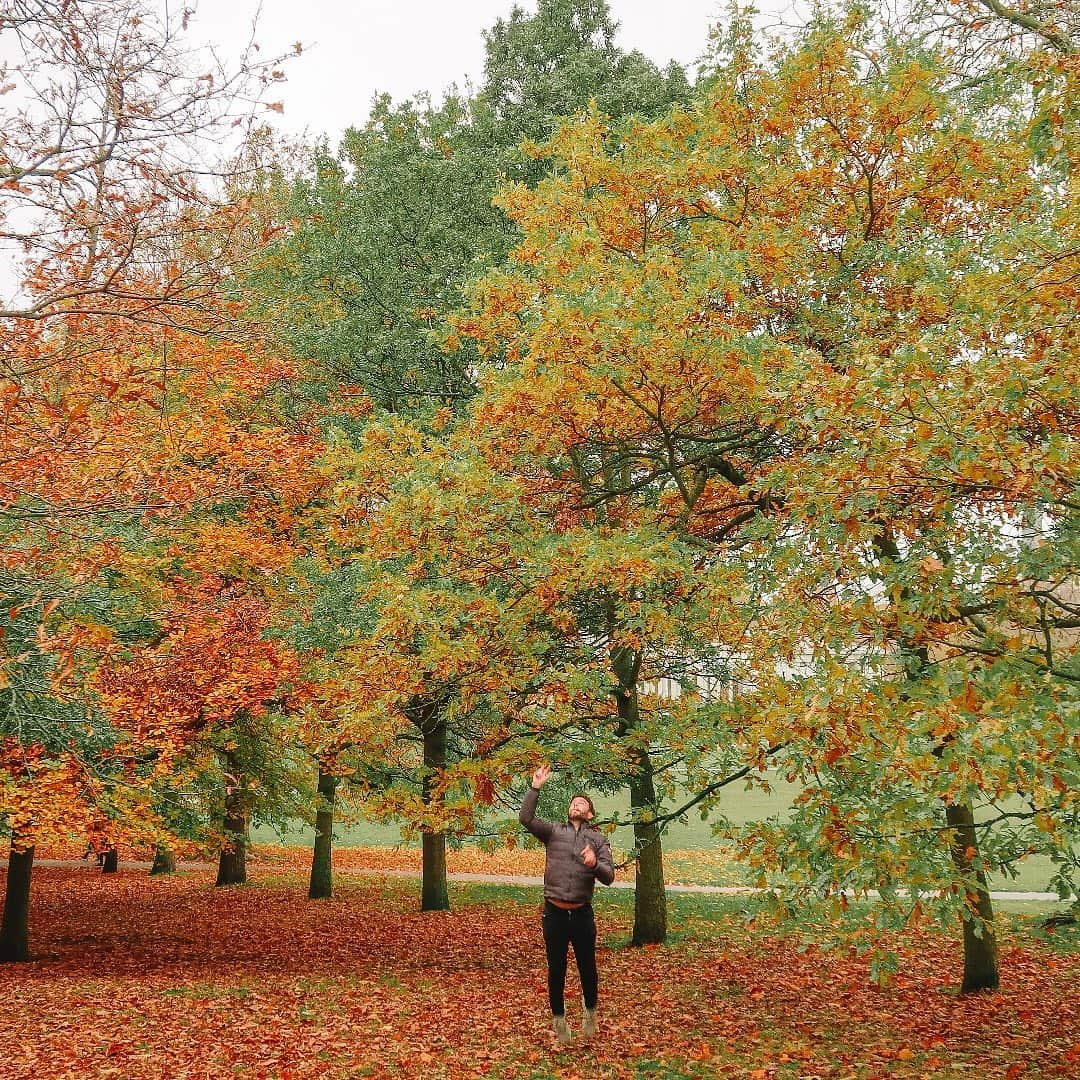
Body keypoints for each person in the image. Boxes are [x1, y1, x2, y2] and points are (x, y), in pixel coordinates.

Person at [519, 763, 615, 1045]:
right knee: (556, 969)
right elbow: (525, 818)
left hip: (582, 915)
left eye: (582, 803)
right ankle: (559, 1020)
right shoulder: (553, 832)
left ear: (590, 813)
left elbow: (609, 876)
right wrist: (535, 787)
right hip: (554, 914)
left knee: (588, 967)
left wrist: (594, 863)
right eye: (574, 802)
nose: (577, 805)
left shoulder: (598, 840)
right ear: (569, 810)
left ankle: (590, 1012)